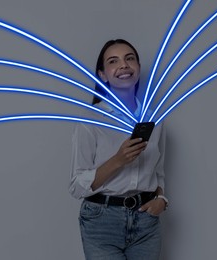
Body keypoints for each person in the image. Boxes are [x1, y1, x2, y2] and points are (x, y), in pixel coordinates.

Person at [69, 39, 168, 260]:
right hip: (102, 221)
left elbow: (159, 171)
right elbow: (76, 186)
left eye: (129, 58)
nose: (124, 65)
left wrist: (162, 200)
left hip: (146, 222)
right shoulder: (89, 120)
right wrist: (118, 160)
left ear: (139, 68)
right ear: (103, 75)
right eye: (113, 61)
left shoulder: (155, 120)